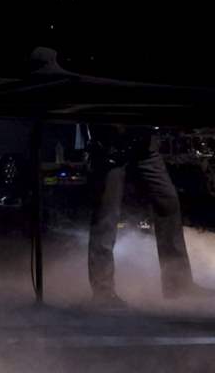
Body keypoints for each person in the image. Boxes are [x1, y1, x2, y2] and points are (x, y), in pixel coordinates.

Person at [87, 123, 213, 307]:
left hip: (143, 143)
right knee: (106, 215)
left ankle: (178, 283)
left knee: (168, 201)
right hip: (110, 145)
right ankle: (103, 293)